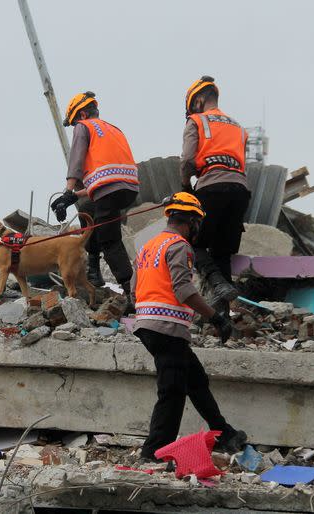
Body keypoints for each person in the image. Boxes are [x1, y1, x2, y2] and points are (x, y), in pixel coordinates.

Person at [132, 192, 246, 460]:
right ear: (192, 221)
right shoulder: (179, 246)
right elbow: (183, 290)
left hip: (149, 324)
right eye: (198, 223)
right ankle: (154, 453)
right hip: (166, 327)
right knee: (172, 392)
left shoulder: (149, 245)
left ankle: (224, 433)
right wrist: (215, 317)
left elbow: (133, 287)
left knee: (195, 380)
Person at [51, 91, 139, 306]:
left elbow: (76, 160)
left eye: (73, 123)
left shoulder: (84, 126)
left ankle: (132, 294)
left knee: (110, 241)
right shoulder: (113, 129)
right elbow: (106, 177)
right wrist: (74, 196)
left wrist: (67, 191)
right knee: (92, 214)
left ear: (81, 114)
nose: (74, 128)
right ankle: (94, 270)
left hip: (108, 190)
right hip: (128, 187)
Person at [181, 76, 250, 312]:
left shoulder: (196, 121)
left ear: (199, 100)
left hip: (211, 187)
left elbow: (188, 160)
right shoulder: (238, 127)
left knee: (192, 242)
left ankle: (218, 284)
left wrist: (185, 187)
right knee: (222, 253)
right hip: (240, 190)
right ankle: (223, 319)